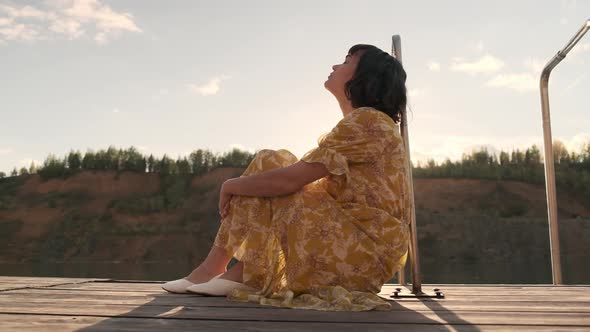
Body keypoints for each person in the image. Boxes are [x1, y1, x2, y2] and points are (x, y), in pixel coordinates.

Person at [162, 44, 411, 311]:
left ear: (365, 77)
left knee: (271, 168)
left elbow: (290, 181)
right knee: (271, 161)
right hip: (353, 245)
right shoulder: (365, 123)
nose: (335, 66)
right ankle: (224, 270)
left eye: (347, 61)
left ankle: (230, 272)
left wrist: (231, 184)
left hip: (361, 254)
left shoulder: (369, 121)